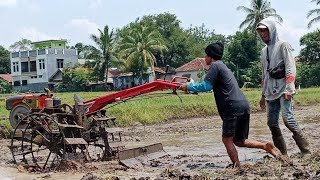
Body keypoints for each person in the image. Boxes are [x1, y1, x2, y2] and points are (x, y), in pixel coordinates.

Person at [180, 41, 281, 167]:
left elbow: (206, 86)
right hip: (243, 104)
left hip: (231, 106)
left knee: (226, 139)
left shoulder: (215, 66)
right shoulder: (223, 66)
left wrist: (189, 86)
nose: (204, 58)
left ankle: (236, 166)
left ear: (210, 57)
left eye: (206, 56)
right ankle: (265, 146)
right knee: (239, 140)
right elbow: (208, 85)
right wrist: (192, 85)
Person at [256, 19, 311, 157]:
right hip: (270, 92)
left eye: (265, 30)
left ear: (272, 30)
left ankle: (306, 151)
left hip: (283, 89)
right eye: (260, 31)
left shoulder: (283, 45)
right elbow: (264, 75)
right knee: (271, 123)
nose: (263, 34)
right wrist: (263, 95)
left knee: (288, 119)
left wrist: (289, 88)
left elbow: (291, 68)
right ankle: (283, 154)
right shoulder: (264, 51)